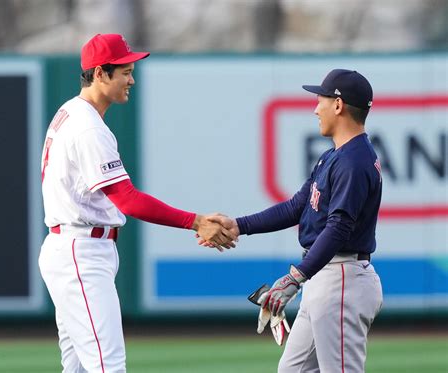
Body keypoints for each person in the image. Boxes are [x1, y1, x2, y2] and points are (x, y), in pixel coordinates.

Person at [38, 33, 236, 373]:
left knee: (80, 368)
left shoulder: (72, 111)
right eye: (125, 71)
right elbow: (127, 200)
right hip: (80, 252)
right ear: (100, 73)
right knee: (108, 366)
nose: (132, 79)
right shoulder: (88, 127)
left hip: (74, 247)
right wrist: (196, 221)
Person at [204, 69, 383, 372]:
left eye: (321, 100)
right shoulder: (334, 156)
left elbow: (339, 228)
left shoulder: (354, 161)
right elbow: (296, 206)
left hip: (342, 279)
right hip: (324, 277)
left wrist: (295, 277)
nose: (316, 108)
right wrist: (240, 225)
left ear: (338, 105)